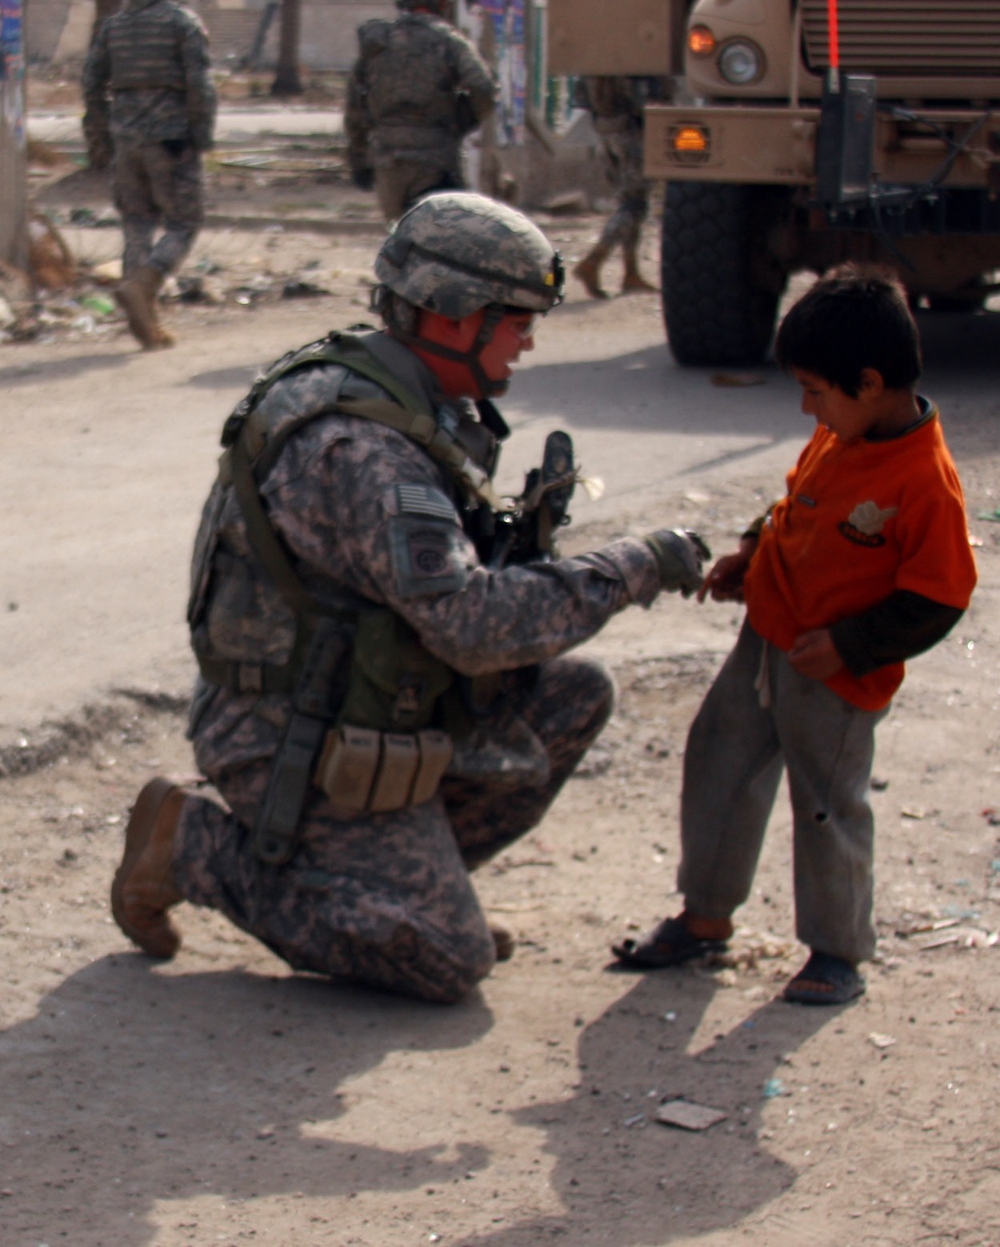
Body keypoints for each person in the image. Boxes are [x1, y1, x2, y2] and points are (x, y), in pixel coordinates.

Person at [110, 192, 712, 1004]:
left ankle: (391, 895)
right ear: (456, 316)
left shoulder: (401, 391)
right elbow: (473, 624)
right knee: (447, 961)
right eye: (518, 318)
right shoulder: (364, 447)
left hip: (364, 703)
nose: (530, 339)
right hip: (288, 731)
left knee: (572, 697)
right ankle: (193, 850)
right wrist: (633, 567)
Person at [613, 265, 977, 1004]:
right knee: (719, 765)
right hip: (767, 639)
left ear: (869, 383)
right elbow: (794, 507)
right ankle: (705, 917)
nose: (809, 407)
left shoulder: (923, 480)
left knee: (826, 803)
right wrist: (750, 557)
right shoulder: (841, 435)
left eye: (816, 390)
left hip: (837, 674)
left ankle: (836, 951)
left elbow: (939, 597)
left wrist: (851, 646)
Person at [82, 0, 216, 351]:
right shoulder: (182, 23)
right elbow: (200, 87)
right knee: (183, 223)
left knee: (137, 226)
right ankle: (145, 285)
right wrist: (201, 137)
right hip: (171, 142)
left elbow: (91, 85)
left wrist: (103, 137)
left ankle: (147, 324)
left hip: (127, 143)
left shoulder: (113, 25)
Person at [344, 0, 497, 223]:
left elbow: (355, 107)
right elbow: (483, 88)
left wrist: (358, 157)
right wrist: (463, 120)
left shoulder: (379, 43)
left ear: (406, 2)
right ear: (442, 4)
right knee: (440, 239)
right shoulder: (450, 42)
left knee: (399, 239)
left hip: (387, 158)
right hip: (436, 158)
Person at [573, 76, 658, 299]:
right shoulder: (628, 57)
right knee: (635, 204)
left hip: (605, 129)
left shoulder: (597, 56)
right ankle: (594, 260)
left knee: (628, 199)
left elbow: (579, 96)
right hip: (631, 131)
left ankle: (631, 273)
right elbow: (643, 98)